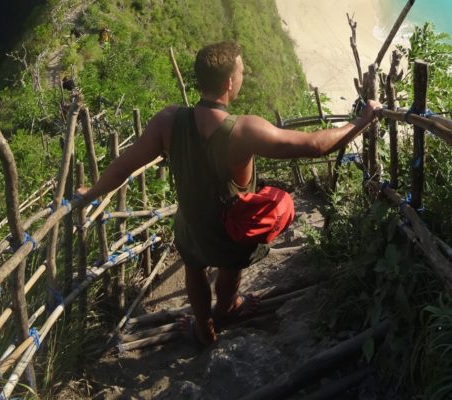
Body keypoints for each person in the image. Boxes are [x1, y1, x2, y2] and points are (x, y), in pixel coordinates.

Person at [76, 41, 382, 344]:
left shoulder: (168, 121)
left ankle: (203, 327)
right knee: (233, 262)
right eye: (242, 72)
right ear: (229, 82)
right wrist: (362, 120)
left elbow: (121, 169)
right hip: (228, 232)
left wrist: (90, 193)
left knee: (194, 269)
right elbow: (316, 146)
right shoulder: (243, 130)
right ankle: (226, 307)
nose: (243, 77)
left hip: (191, 224)